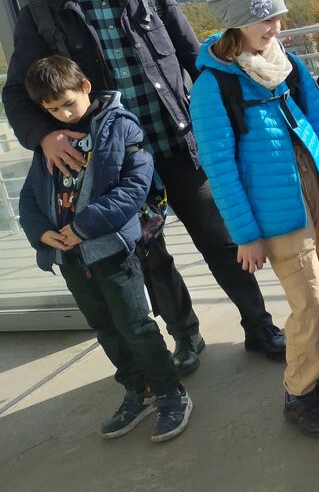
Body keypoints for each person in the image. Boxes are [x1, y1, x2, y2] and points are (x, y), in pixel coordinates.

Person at [2, 0, 284, 371]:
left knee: (220, 238)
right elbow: (17, 90)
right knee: (149, 254)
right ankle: (187, 337)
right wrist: (45, 136)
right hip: (114, 161)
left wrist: (234, 119)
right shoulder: (43, 13)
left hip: (178, 142)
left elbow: (195, 58)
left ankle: (259, 325)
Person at [189, 0, 319, 437]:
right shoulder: (214, 84)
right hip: (276, 213)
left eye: (277, 17)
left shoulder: (286, 64)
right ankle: (299, 391)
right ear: (237, 22)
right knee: (309, 304)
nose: (276, 27)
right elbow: (219, 166)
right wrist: (245, 235)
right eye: (265, 19)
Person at [18, 55, 192, 442]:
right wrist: (41, 232)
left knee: (135, 325)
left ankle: (170, 391)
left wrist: (84, 226)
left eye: (68, 103)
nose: (63, 114)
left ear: (85, 87)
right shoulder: (48, 142)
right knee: (105, 328)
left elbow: (134, 188)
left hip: (112, 251)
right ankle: (138, 389)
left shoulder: (120, 126)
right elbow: (30, 195)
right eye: (52, 109)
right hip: (69, 257)